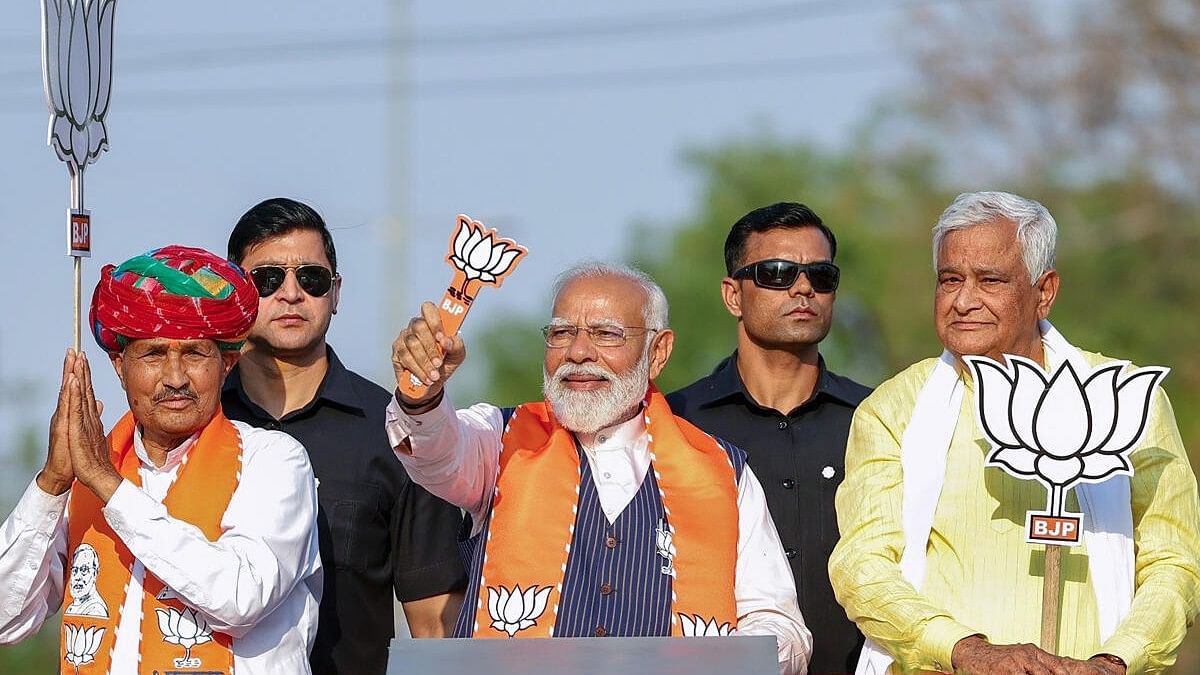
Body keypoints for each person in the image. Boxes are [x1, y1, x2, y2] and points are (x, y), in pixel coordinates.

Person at [829, 192, 1200, 675]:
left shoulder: (1124, 399)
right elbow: (863, 566)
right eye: (949, 280)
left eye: (990, 280)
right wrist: (967, 651)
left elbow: (1175, 560)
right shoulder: (895, 408)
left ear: (1043, 291)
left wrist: (1116, 661)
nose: (963, 301)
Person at [386, 262, 812, 675]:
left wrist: (710, 664)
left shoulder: (723, 471)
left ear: (657, 352)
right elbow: (434, 454)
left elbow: (777, 624)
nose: (578, 352)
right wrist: (421, 396)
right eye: (561, 333)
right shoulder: (501, 438)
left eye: (606, 334)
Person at [0, 245, 323, 673]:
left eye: (193, 353)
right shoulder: (87, 478)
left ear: (226, 364)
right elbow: (8, 621)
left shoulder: (275, 461)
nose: (174, 377)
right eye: (153, 354)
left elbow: (242, 596)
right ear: (120, 365)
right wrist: (53, 484)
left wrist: (108, 485)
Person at [222, 198, 468, 674]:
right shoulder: (197, 425)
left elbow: (437, 625)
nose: (291, 294)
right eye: (268, 279)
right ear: (233, 291)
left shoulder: (397, 430)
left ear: (335, 293)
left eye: (311, 279)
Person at [668, 202, 870, 674]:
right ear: (732, 295)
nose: (803, 287)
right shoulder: (674, 424)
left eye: (821, 275)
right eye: (776, 273)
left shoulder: (877, 421)